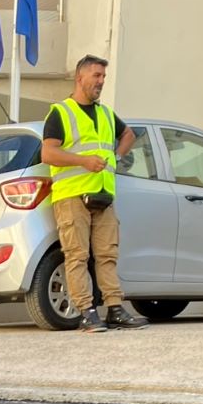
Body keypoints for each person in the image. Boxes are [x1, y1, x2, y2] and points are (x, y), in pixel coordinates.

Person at [40, 55, 148, 332]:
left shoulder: (105, 113)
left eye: (103, 76)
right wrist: (83, 162)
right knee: (77, 256)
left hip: (103, 195)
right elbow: (48, 152)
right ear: (80, 77)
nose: (101, 81)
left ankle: (114, 309)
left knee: (107, 254)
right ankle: (87, 312)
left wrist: (115, 158)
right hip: (72, 195)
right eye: (96, 76)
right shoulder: (61, 113)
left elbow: (129, 135)